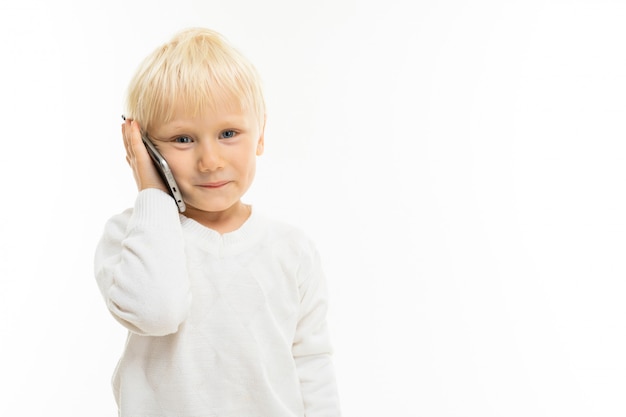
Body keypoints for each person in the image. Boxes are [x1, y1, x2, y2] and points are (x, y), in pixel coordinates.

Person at [94, 27, 341, 417]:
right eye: (183, 140)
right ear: (145, 148)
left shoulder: (291, 249)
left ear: (260, 134)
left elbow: (311, 363)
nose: (209, 161)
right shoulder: (130, 237)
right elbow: (157, 311)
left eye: (228, 133)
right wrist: (152, 192)